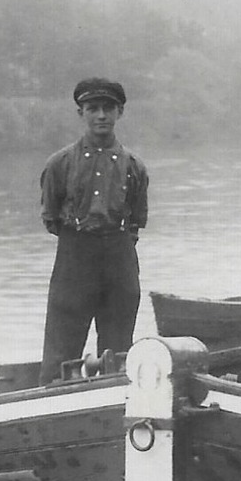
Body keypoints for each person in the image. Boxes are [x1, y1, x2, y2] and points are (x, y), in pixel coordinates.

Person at [38, 77, 149, 384]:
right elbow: (51, 217)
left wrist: (117, 246)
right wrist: (81, 241)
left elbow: (137, 218)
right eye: (93, 108)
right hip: (75, 256)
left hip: (119, 256)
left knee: (118, 352)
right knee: (61, 350)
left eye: (108, 108)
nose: (101, 115)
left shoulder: (134, 166)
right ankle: (50, 409)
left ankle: (114, 407)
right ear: (81, 113)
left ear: (120, 113)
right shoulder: (59, 164)